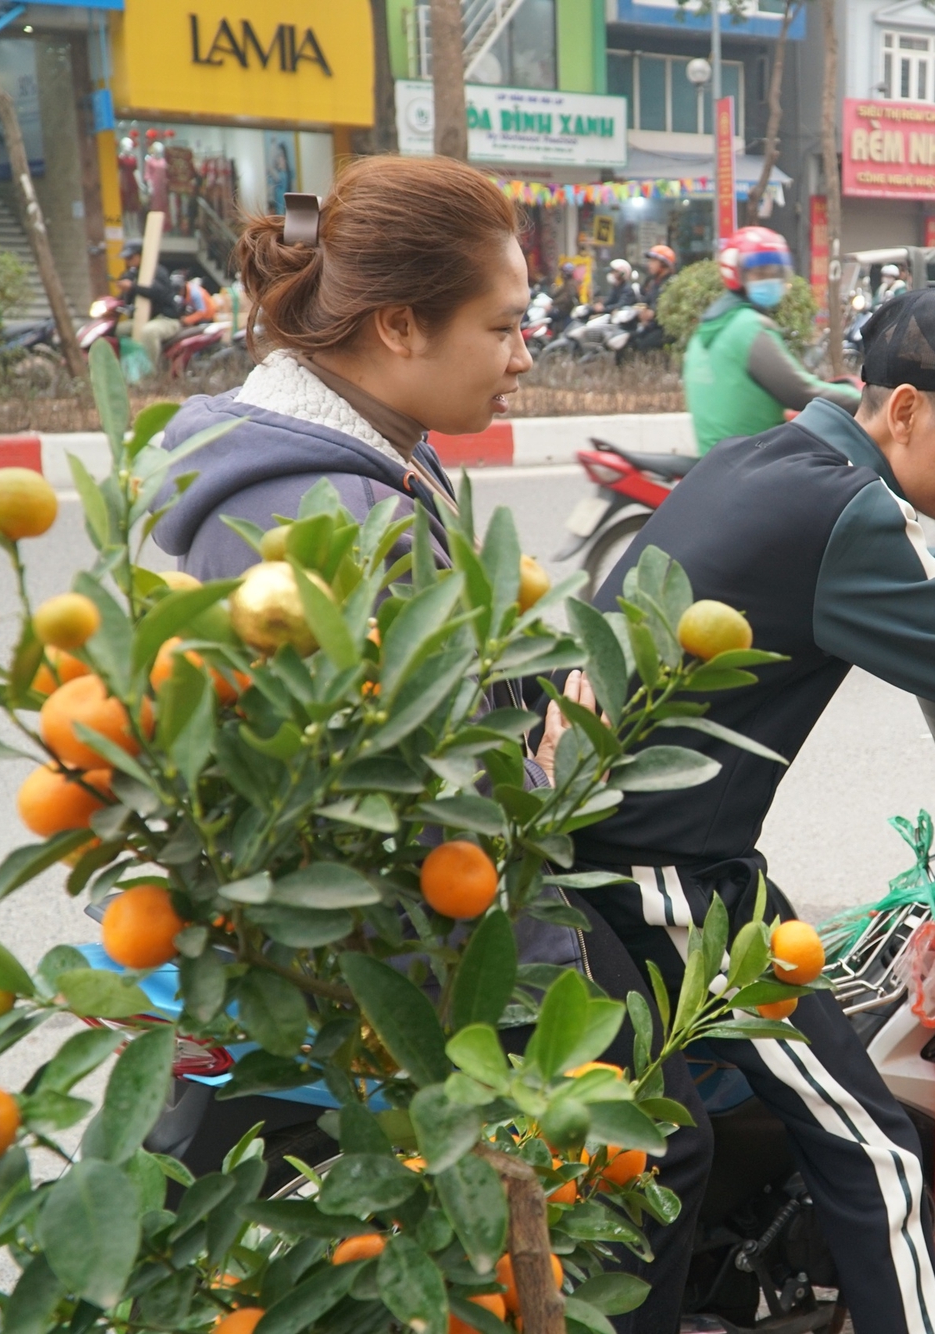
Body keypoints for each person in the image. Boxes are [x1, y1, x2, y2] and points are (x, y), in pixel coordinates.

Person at [147, 157, 706, 1334]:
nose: (522, 354)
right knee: (661, 1145)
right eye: (503, 326)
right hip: (410, 947)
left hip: (282, 927)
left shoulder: (325, 448)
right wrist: (548, 990)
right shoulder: (342, 514)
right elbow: (438, 805)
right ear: (399, 324)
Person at [581, 286, 935, 1334]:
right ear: (907, 408)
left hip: (608, 844)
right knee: (871, 1146)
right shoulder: (841, 509)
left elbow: (892, 563)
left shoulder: (767, 458)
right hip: (668, 874)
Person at [682, 226, 859, 453]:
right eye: (760, 273)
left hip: (718, 461)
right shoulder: (748, 327)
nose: (770, 279)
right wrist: (861, 400)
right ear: (736, 275)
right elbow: (800, 392)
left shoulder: (707, 329)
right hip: (752, 463)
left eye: (775, 272)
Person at [117, 239, 186, 366]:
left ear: (140, 255)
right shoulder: (131, 274)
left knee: (149, 332)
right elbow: (123, 292)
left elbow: (158, 292)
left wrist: (133, 287)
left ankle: (150, 374)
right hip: (144, 319)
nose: (127, 261)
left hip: (166, 319)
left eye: (130, 257)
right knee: (121, 329)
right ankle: (127, 370)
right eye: (126, 258)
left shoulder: (158, 271)